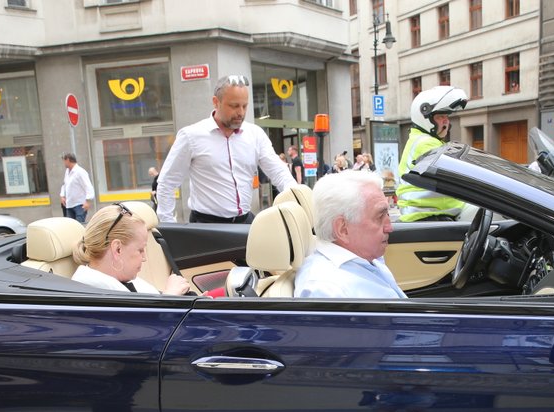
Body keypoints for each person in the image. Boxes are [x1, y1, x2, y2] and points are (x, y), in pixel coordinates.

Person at [156, 75, 295, 224]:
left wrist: (298, 200)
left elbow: (279, 172)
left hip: (245, 222)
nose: (241, 112)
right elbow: (167, 181)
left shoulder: (255, 135)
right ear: (216, 102)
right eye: (234, 106)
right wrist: (168, 226)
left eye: (245, 106)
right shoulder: (191, 136)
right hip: (206, 225)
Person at [294, 170, 406, 299]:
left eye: (387, 214)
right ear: (343, 229)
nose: (389, 228)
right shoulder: (327, 290)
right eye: (380, 216)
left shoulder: (365, 259)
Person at [71, 203, 190, 295]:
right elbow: (145, 324)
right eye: (140, 250)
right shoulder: (95, 294)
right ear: (118, 249)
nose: (144, 258)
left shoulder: (116, 282)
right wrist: (170, 295)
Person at [396, 85, 468, 222]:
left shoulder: (423, 140)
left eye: (447, 116)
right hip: (426, 215)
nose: (446, 121)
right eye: (441, 116)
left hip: (430, 213)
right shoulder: (425, 143)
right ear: (425, 117)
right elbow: (459, 175)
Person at [59, 153, 95, 224]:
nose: (64, 163)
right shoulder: (67, 172)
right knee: (70, 227)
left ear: (68, 160)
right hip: (69, 204)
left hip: (79, 204)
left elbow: (88, 186)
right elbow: (65, 184)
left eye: (64, 161)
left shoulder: (80, 172)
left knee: (79, 225)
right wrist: (62, 196)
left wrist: (87, 201)